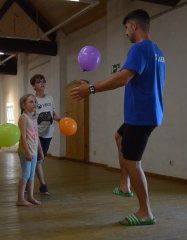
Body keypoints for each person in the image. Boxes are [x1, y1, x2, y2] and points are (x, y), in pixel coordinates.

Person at [70, 9, 166, 226]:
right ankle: (125, 186)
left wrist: (91, 89)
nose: (125, 32)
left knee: (133, 163)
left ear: (134, 26)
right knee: (119, 137)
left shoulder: (140, 49)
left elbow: (122, 79)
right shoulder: (157, 51)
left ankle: (145, 212)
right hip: (146, 113)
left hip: (141, 116)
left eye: (126, 28)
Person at [30, 74, 60, 195]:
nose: (42, 83)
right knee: (38, 160)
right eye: (39, 82)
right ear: (33, 86)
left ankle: (28, 180)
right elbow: (28, 117)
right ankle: (43, 185)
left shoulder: (50, 98)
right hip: (36, 134)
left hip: (48, 133)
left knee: (40, 160)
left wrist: (60, 120)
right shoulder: (32, 100)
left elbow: (53, 114)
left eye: (43, 81)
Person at [17, 94, 43, 206]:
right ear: (23, 105)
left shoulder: (33, 118)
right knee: (26, 174)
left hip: (34, 151)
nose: (34, 104)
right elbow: (22, 137)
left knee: (32, 175)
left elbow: (36, 136)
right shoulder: (23, 118)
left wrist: (40, 150)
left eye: (35, 102)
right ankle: (20, 199)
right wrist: (27, 151)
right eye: (31, 102)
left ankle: (31, 197)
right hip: (25, 151)